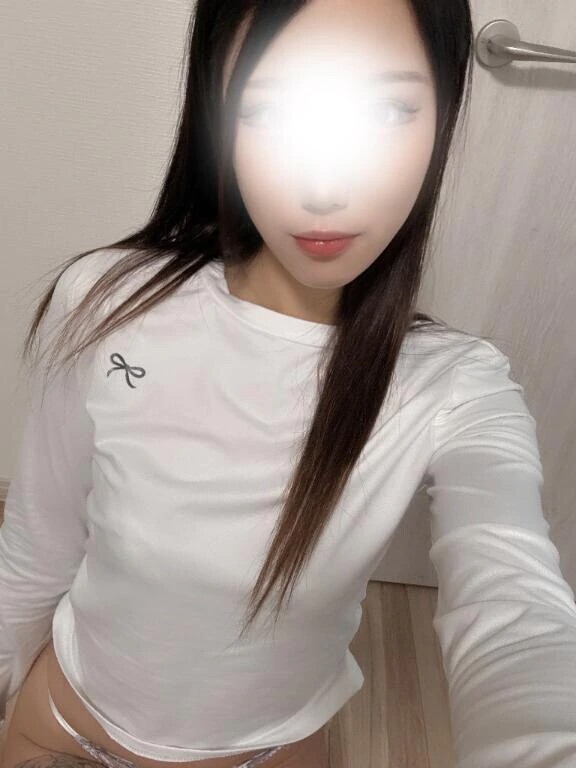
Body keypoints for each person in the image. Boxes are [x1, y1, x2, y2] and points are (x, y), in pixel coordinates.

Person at [2, 0, 576, 767]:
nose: (323, 187)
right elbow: (36, 546)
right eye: (271, 112)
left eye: (385, 110)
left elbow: (518, 608)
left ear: (443, 113)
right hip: (62, 732)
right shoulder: (105, 303)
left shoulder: (455, 390)